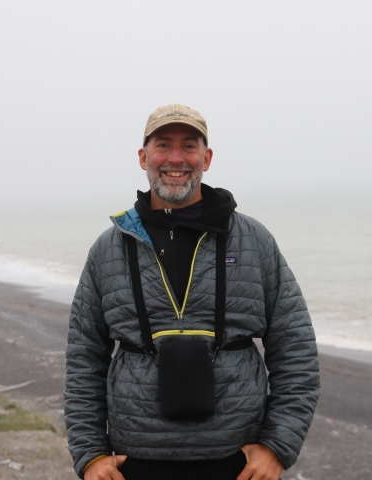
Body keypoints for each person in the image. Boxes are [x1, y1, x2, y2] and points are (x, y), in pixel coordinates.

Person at [64, 104, 320, 480]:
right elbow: (83, 360)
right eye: (163, 145)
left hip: (239, 462)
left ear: (207, 157)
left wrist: (276, 447)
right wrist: (89, 455)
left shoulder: (254, 241)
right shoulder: (109, 249)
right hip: (133, 463)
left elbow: (296, 350)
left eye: (189, 146)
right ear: (143, 157)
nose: (176, 159)